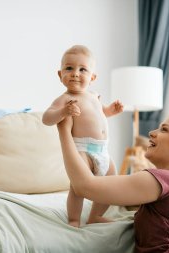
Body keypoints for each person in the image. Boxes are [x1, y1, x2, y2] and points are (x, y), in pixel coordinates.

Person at [57, 113, 169, 252]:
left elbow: (83, 186)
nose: (152, 133)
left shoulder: (165, 180)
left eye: (164, 130)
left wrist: (64, 131)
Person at [42, 45, 124, 227]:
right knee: (78, 187)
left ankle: (95, 215)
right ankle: (73, 219)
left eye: (83, 69)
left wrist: (111, 110)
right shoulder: (64, 100)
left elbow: (101, 114)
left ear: (92, 77)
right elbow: (46, 118)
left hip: (103, 150)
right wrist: (63, 112)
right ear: (60, 74)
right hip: (82, 150)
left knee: (111, 184)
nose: (75, 73)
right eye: (69, 68)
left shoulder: (94, 96)